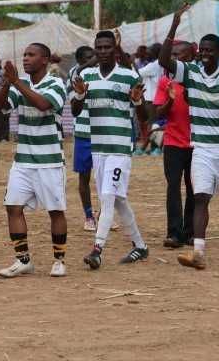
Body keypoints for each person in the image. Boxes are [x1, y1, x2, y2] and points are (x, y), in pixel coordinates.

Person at [161, 4, 219, 270]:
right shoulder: (191, 72)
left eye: (211, 50)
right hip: (201, 148)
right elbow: (164, 61)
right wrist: (174, 25)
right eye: (203, 50)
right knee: (201, 197)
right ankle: (198, 252)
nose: (206, 54)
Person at [72, 30, 150, 270]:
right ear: (95, 50)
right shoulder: (86, 75)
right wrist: (80, 95)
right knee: (117, 200)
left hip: (120, 148)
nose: (103, 51)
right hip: (98, 148)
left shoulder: (128, 76)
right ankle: (140, 246)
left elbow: (145, 116)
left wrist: (137, 101)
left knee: (106, 198)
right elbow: (76, 111)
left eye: (108, 47)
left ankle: (97, 250)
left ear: (115, 50)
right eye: (99, 47)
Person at [0, 43, 68, 278]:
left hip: (50, 161)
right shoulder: (20, 84)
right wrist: (8, 84)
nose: (25, 58)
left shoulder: (56, 83)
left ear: (45, 60)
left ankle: (59, 261)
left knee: (55, 210)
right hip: (23, 160)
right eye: (24, 55)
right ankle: (22, 260)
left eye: (31, 55)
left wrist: (16, 83)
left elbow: (44, 104)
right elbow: (1, 106)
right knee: (12, 207)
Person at [153, 41, 195, 248]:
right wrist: (170, 100)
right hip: (173, 142)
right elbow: (158, 114)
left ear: (188, 58)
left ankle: (191, 232)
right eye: (172, 54)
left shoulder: (197, 79)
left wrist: (192, 99)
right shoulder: (165, 81)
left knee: (194, 188)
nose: (173, 58)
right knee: (173, 187)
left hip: (197, 145)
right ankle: (174, 233)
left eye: (177, 55)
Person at [67, 45, 98, 231]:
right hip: (83, 133)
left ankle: (105, 213)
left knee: (104, 178)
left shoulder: (101, 72)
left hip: (102, 133)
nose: (93, 61)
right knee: (84, 177)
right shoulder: (75, 73)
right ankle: (89, 216)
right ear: (80, 61)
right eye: (88, 59)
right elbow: (73, 103)